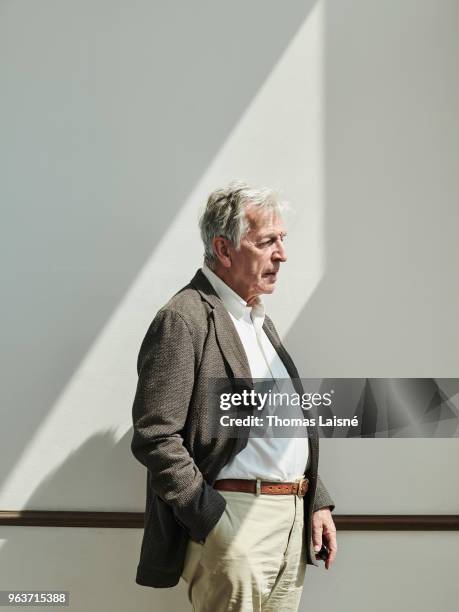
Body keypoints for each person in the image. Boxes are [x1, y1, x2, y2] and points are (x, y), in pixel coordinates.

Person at [131, 182, 337, 611]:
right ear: (224, 250)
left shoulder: (259, 321)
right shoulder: (183, 318)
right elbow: (155, 435)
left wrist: (314, 500)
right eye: (266, 242)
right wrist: (213, 521)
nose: (282, 254)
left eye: (282, 240)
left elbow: (281, 427)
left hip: (291, 521)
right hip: (236, 519)